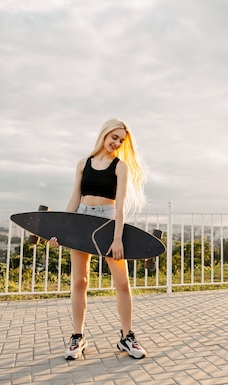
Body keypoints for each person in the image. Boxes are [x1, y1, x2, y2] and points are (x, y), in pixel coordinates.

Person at [49, 118, 147, 361]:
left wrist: (117, 238)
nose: (116, 142)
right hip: (82, 218)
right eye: (114, 137)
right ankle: (77, 337)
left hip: (108, 221)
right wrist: (62, 230)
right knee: (79, 281)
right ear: (104, 134)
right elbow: (74, 198)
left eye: (121, 140)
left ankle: (127, 337)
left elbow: (121, 205)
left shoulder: (120, 167)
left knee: (122, 283)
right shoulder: (83, 164)